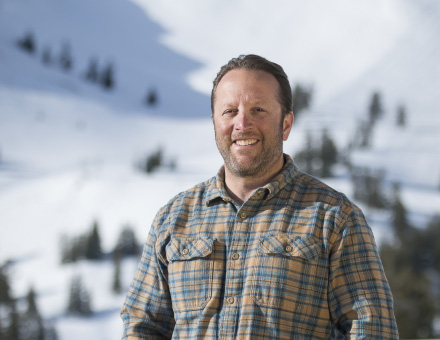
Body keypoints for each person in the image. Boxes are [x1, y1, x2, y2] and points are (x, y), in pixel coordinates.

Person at [121, 54, 399, 339]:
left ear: (286, 124)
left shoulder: (334, 218)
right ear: (215, 123)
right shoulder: (173, 218)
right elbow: (143, 327)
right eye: (229, 111)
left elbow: (372, 329)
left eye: (258, 110)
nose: (242, 124)